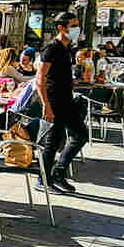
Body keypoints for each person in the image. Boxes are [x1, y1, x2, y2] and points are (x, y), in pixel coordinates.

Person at [33, 12, 85, 195]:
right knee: (52, 142)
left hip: (66, 99)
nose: (77, 29)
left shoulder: (66, 48)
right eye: (73, 25)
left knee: (80, 135)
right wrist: (45, 104)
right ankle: (43, 179)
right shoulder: (51, 48)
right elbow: (40, 78)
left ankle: (58, 173)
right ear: (61, 28)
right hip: (54, 100)